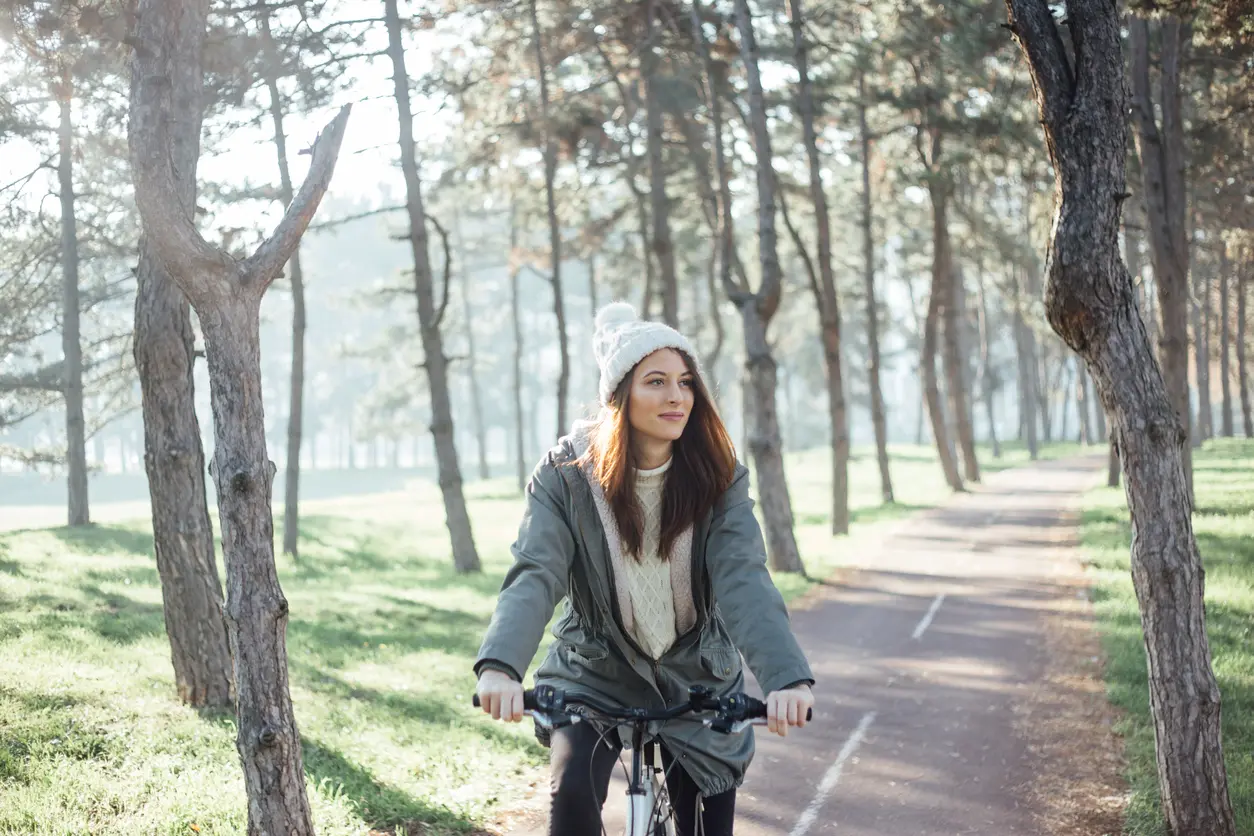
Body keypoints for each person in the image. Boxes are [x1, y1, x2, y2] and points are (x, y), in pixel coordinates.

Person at [474, 302, 815, 836]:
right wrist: (500, 666)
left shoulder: (720, 477)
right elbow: (536, 571)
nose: (677, 396)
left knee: (706, 820)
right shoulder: (565, 476)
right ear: (619, 395)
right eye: (656, 381)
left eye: (685, 382)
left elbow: (742, 578)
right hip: (594, 670)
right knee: (571, 802)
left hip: (697, 678)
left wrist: (785, 678)